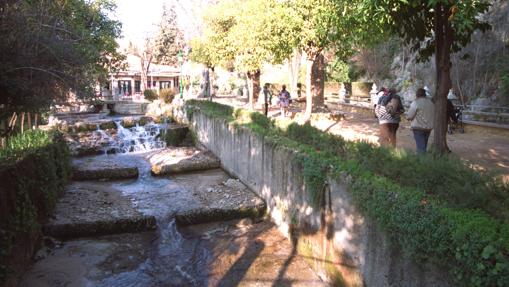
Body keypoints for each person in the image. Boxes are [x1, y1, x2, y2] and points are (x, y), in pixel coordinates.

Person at [406, 88, 435, 153]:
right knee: (424, 146)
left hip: (418, 127)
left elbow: (409, 116)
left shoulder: (416, 102)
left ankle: (421, 161)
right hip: (428, 127)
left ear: (417, 94)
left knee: (421, 148)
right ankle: (424, 161)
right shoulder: (431, 102)